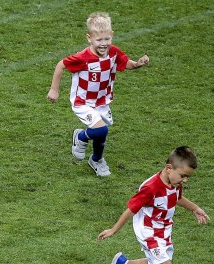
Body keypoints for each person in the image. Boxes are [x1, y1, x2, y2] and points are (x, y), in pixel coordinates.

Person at [97, 146, 210, 264]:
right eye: (183, 176)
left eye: (187, 177)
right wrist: (113, 230)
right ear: (168, 168)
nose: (185, 180)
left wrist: (195, 208)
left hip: (164, 230)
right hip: (148, 232)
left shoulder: (175, 183)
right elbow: (131, 209)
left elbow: (177, 198)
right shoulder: (150, 188)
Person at [47, 12, 149, 176]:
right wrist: (54, 89)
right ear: (89, 38)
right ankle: (81, 137)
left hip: (102, 101)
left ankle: (96, 160)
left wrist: (137, 64)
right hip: (83, 102)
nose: (103, 44)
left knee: (102, 133)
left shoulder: (114, 52)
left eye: (107, 39)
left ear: (112, 36)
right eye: (99, 40)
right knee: (101, 130)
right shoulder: (83, 58)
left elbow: (126, 63)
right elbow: (61, 65)